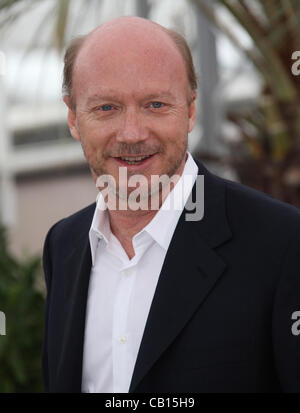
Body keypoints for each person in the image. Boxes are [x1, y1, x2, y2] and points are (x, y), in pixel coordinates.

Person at [42, 16, 300, 393]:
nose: (132, 133)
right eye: (106, 108)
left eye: (156, 104)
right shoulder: (62, 245)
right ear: (73, 117)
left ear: (191, 110)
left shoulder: (283, 244)